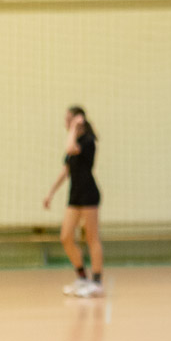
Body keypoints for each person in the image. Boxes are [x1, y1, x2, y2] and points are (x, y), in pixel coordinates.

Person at [44, 105, 103, 297]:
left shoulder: (87, 141)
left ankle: (97, 282)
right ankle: (82, 277)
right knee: (66, 237)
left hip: (89, 195)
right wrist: (51, 193)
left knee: (91, 238)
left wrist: (73, 129)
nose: (65, 122)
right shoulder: (75, 139)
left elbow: (70, 148)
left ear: (79, 120)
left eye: (68, 119)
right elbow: (65, 170)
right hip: (75, 196)